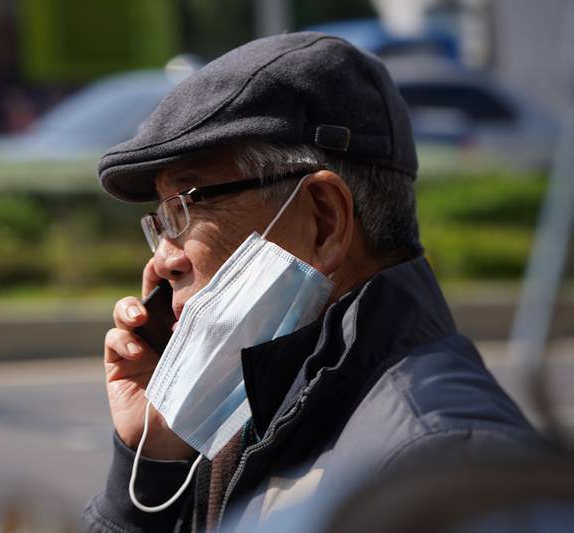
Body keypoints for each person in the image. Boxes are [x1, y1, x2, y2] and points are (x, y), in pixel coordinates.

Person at [82, 32, 540, 532]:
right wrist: (152, 460)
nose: (164, 261)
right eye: (160, 222)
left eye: (187, 206)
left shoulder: (443, 466)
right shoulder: (251, 400)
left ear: (324, 220)